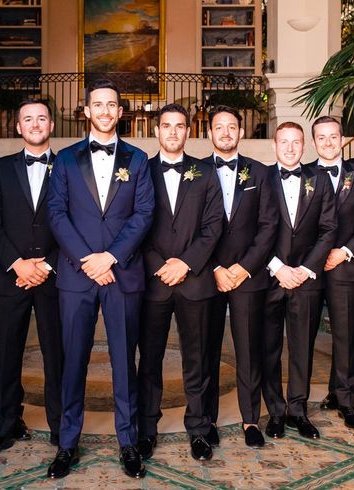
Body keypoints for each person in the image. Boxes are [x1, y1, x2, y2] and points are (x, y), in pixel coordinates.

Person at [46, 79, 154, 479]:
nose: (105, 111)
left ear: (120, 112)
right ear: (86, 111)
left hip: (122, 274)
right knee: (72, 361)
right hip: (77, 276)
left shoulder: (139, 159)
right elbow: (56, 213)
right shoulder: (67, 160)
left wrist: (110, 256)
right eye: (98, 104)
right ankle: (67, 443)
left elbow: (144, 214)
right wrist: (87, 259)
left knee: (125, 362)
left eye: (112, 104)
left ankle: (128, 443)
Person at [0, 100, 63, 458]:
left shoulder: (69, 166)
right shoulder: (0, 169)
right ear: (17, 126)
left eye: (41, 118)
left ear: (51, 124)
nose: (35, 123)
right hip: (10, 279)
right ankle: (3, 428)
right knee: (6, 356)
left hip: (55, 279)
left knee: (57, 356)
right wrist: (16, 263)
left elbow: (78, 224)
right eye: (28, 118)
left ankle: (63, 429)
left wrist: (47, 265)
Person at [135, 103, 222, 461]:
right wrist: (161, 266)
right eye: (166, 126)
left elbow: (213, 226)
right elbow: (136, 225)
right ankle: (147, 428)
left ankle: (199, 429)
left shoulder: (205, 173)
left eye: (180, 126)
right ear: (156, 131)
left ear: (189, 131)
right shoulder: (141, 171)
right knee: (150, 359)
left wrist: (184, 263)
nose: (173, 132)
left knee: (197, 359)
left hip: (194, 281)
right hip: (154, 284)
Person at [203, 106, 278, 448]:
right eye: (220, 127)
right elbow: (191, 229)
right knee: (206, 350)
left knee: (249, 349)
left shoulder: (260, 173)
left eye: (232, 126)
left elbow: (268, 227)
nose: (226, 132)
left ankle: (251, 420)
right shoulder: (196, 171)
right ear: (209, 133)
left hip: (249, 276)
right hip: (207, 275)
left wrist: (244, 267)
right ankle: (206, 421)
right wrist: (217, 267)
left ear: (241, 132)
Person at [262, 122, 336, 441]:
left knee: (302, 348)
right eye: (284, 142)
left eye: (296, 143)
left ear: (304, 146)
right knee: (269, 348)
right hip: (269, 278)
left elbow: (329, 229)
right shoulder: (261, 178)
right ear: (274, 144)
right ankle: (275, 412)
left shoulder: (319, 180)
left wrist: (305, 269)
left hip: (306, 280)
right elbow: (250, 229)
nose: (290, 148)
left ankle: (298, 410)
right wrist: (278, 267)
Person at [310, 116, 354, 429]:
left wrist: (344, 251)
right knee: (302, 337)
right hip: (309, 270)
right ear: (314, 142)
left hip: (346, 266)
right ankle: (296, 401)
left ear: (343, 139)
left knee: (344, 334)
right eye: (321, 137)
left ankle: (346, 400)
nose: (327, 142)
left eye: (332, 136)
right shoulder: (304, 172)